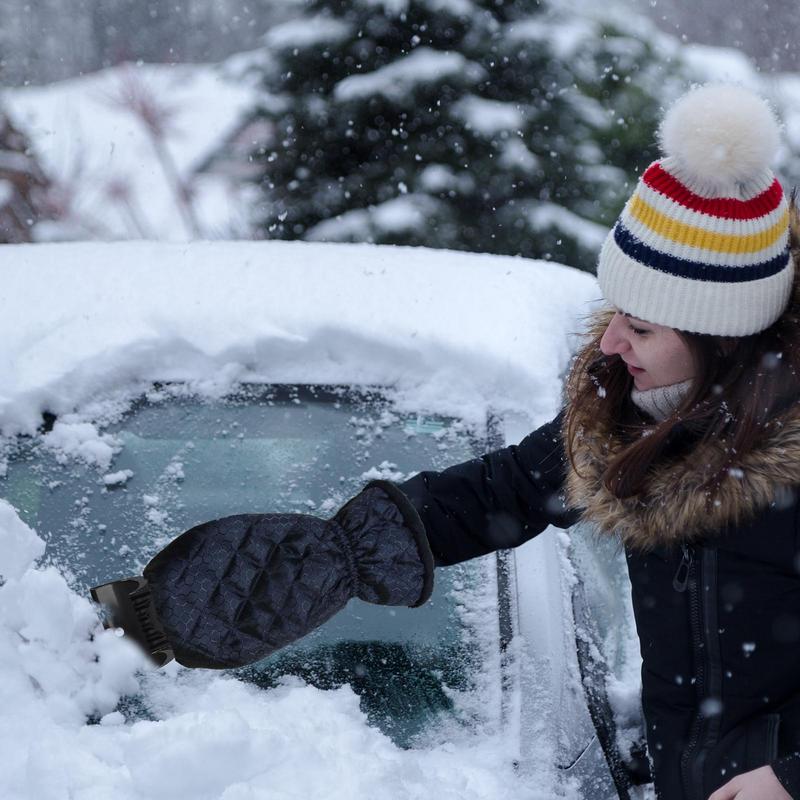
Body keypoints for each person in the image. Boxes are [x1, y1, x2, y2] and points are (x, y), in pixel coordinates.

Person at [91, 84, 800, 800]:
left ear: (720, 338)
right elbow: (497, 494)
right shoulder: (638, 424)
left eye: (642, 328)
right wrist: (334, 554)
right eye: (617, 313)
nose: (612, 342)